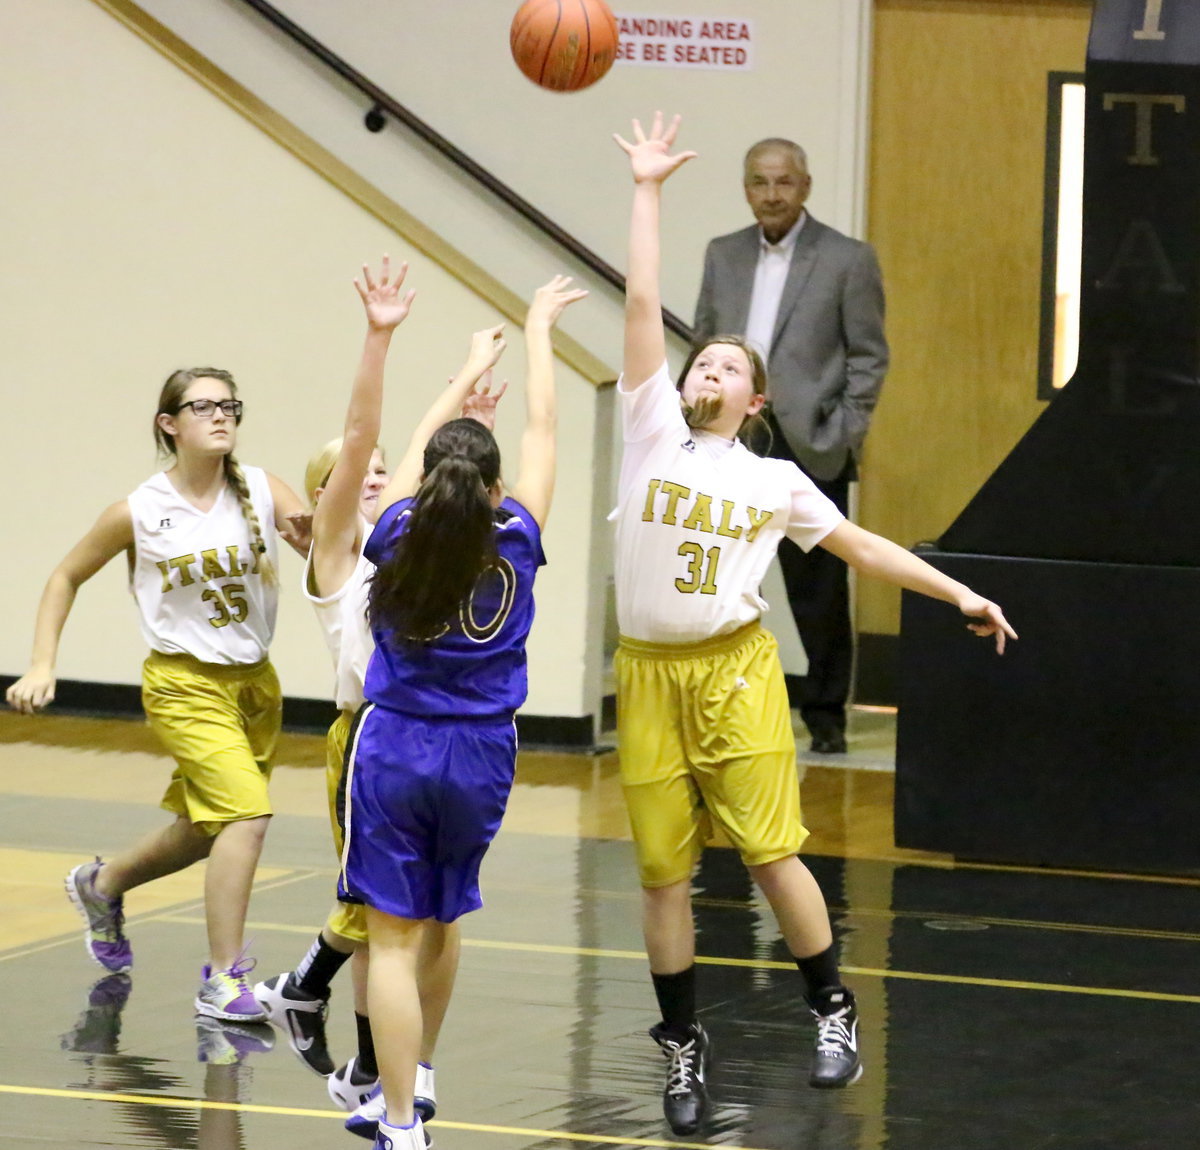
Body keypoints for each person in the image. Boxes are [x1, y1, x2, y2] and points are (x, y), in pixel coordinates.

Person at [612, 113, 1015, 1136]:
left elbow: (865, 549)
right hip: (651, 674)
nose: (706, 369)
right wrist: (647, 190)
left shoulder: (778, 479)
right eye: (699, 360)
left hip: (735, 670)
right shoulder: (650, 429)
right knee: (664, 874)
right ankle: (682, 1043)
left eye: (726, 366)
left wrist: (957, 592)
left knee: (768, 854)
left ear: (756, 399)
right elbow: (644, 299)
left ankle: (832, 1007)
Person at [251, 259, 507, 1127]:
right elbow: (364, 435)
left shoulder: (420, 544)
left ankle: (397, 1062)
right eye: (352, 474)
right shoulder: (340, 552)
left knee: (432, 918)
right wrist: (380, 338)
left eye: (382, 474)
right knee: (384, 918)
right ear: (325, 495)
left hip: (440, 733)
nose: (371, 477)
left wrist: (472, 416)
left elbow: (452, 483)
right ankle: (371, 1065)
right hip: (369, 736)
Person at [336, 274, 586, 1150]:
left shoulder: (397, 528)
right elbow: (546, 427)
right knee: (444, 918)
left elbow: (407, 446)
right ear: (493, 487)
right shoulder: (517, 530)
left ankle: (401, 1121)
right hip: (483, 752)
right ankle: (423, 1073)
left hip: (397, 744)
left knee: (392, 941)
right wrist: (537, 331)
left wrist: (460, 370)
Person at [5, 366, 309, 1021]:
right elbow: (64, 576)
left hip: (256, 685)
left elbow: (319, 532)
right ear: (169, 423)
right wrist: (40, 663)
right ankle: (223, 979)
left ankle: (103, 883)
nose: (221, 416)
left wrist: (333, 519)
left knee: (208, 831)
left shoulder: (260, 488)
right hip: (183, 683)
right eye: (204, 406)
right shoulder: (139, 511)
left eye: (230, 405)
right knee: (248, 818)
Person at [693, 136, 889, 754]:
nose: (771, 194)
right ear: (745, 188)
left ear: (803, 187)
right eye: (758, 181)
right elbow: (701, 344)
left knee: (819, 585)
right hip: (730, 436)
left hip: (810, 441)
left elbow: (869, 357)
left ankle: (827, 714)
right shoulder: (722, 255)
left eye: (782, 182)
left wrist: (842, 430)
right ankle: (710, 699)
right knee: (714, 572)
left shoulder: (847, 259)